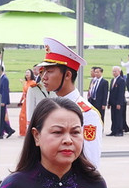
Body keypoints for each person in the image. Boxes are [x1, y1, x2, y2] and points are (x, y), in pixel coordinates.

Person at [36, 38, 102, 169]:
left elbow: (90, 161)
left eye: (49, 71)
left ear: (67, 75)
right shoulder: (49, 107)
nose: (44, 77)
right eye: (43, 72)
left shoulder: (87, 114)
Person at [108, 66, 126, 137]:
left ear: (119, 72)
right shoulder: (113, 80)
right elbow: (111, 92)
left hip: (118, 102)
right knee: (113, 117)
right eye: (113, 71)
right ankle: (114, 130)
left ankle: (120, 131)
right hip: (113, 102)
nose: (114, 73)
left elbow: (121, 93)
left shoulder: (121, 80)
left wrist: (119, 103)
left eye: (115, 71)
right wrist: (109, 102)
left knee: (119, 117)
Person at [18, 68, 35, 136]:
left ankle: (27, 132)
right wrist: (20, 101)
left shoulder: (33, 83)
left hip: (30, 102)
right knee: (22, 116)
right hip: (25, 102)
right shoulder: (25, 83)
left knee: (28, 116)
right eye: (26, 73)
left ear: (31, 74)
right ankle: (22, 132)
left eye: (28, 72)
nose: (27, 74)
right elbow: (23, 93)